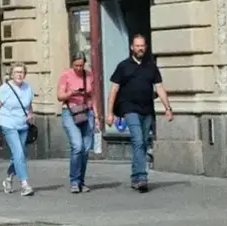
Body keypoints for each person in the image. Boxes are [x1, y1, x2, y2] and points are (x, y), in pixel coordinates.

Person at [104, 34, 173, 193]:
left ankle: (135, 176)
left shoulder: (151, 66)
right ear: (131, 48)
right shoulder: (123, 66)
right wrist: (109, 113)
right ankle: (142, 176)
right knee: (138, 139)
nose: (140, 48)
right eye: (137, 46)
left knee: (142, 143)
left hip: (147, 109)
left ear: (145, 47)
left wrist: (168, 108)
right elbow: (114, 90)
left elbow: (160, 87)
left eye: (142, 46)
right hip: (129, 108)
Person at [0, 64, 36, 196]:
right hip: (8, 125)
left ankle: (8, 178)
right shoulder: (5, 89)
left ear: (25, 74)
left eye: (22, 72)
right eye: (16, 72)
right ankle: (25, 184)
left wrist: (30, 114)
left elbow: (29, 106)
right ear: (12, 74)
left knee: (18, 155)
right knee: (19, 153)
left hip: (23, 125)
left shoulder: (28, 88)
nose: (19, 75)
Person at [56, 56, 95, 194]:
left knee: (85, 148)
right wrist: (71, 93)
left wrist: (96, 114)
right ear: (72, 64)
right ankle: (74, 181)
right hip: (70, 112)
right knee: (77, 146)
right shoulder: (65, 75)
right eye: (76, 66)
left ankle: (81, 181)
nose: (79, 68)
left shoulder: (89, 75)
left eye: (81, 65)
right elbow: (59, 96)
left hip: (87, 111)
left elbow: (93, 96)